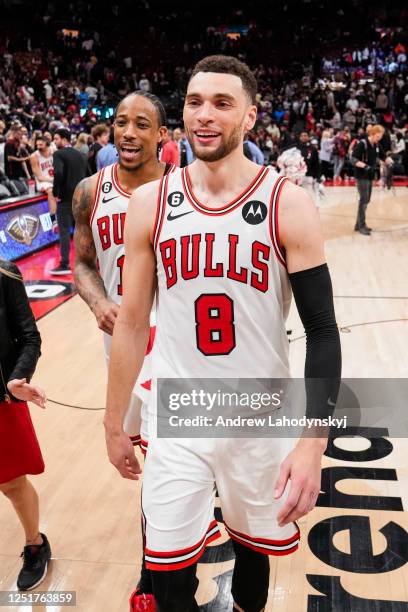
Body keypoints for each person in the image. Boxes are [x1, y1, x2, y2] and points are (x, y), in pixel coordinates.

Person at [105, 55, 341, 612]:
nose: (204, 116)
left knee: (252, 555)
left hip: (257, 414)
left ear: (250, 117)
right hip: (178, 414)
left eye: (222, 103)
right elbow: (133, 322)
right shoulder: (151, 203)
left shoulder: (288, 202)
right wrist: (113, 422)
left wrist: (312, 443)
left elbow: (323, 331)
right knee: (165, 574)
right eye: (194, 102)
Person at [73, 90, 177, 612]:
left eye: (142, 124)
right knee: (153, 456)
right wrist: (97, 303)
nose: (128, 132)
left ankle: (152, 573)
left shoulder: (183, 189)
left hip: (177, 340)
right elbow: (81, 263)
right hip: (123, 341)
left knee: (164, 461)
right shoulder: (91, 191)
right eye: (120, 123)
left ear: (163, 134)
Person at [0, 260, 50, 591]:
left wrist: (17, 378)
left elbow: (30, 337)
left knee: (12, 485)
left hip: (2, 398)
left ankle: (35, 543)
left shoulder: (5, 274)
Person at [51, 128, 87, 275]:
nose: (54, 141)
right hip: (81, 197)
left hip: (65, 199)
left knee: (65, 232)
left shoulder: (58, 154)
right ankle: (87, 263)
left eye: (56, 138)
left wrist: (55, 192)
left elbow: (58, 173)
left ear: (65, 139)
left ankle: (64, 264)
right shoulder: (81, 154)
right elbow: (90, 173)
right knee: (83, 231)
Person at [350, 124, 388, 235]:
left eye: (380, 137)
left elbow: (383, 156)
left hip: (370, 176)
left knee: (366, 200)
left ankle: (358, 225)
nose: (379, 138)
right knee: (364, 200)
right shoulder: (362, 144)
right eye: (378, 136)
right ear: (372, 134)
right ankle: (362, 225)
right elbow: (353, 159)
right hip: (361, 176)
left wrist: (390, 161)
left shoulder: (376, 144)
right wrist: (365, 166)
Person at [30, 136, 57, 230]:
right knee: (51, 191)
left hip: (54, 178)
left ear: (47, 143)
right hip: (43, 181)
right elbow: (39, 177)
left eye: (41, 144)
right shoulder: (34, 156)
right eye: (37, 144)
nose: (38, 146)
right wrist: (53, 180)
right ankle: (53, 220)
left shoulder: (54, 151)